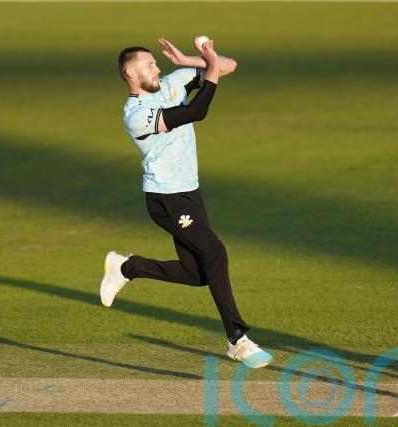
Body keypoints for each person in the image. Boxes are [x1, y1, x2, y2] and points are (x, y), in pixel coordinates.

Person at [100, 37, 272, 368]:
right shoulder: (136, 114)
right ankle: (237, 339)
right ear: (130, 73)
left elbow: (229, 65)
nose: (157, 67)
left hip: (190, 192)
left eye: (156, 62)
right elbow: (196, 111)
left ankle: (128, 267)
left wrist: (193, 59)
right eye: (149, 65)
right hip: (166, 198)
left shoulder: (171, 83)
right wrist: (208, 64)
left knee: (198, 274)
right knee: (215, 253)